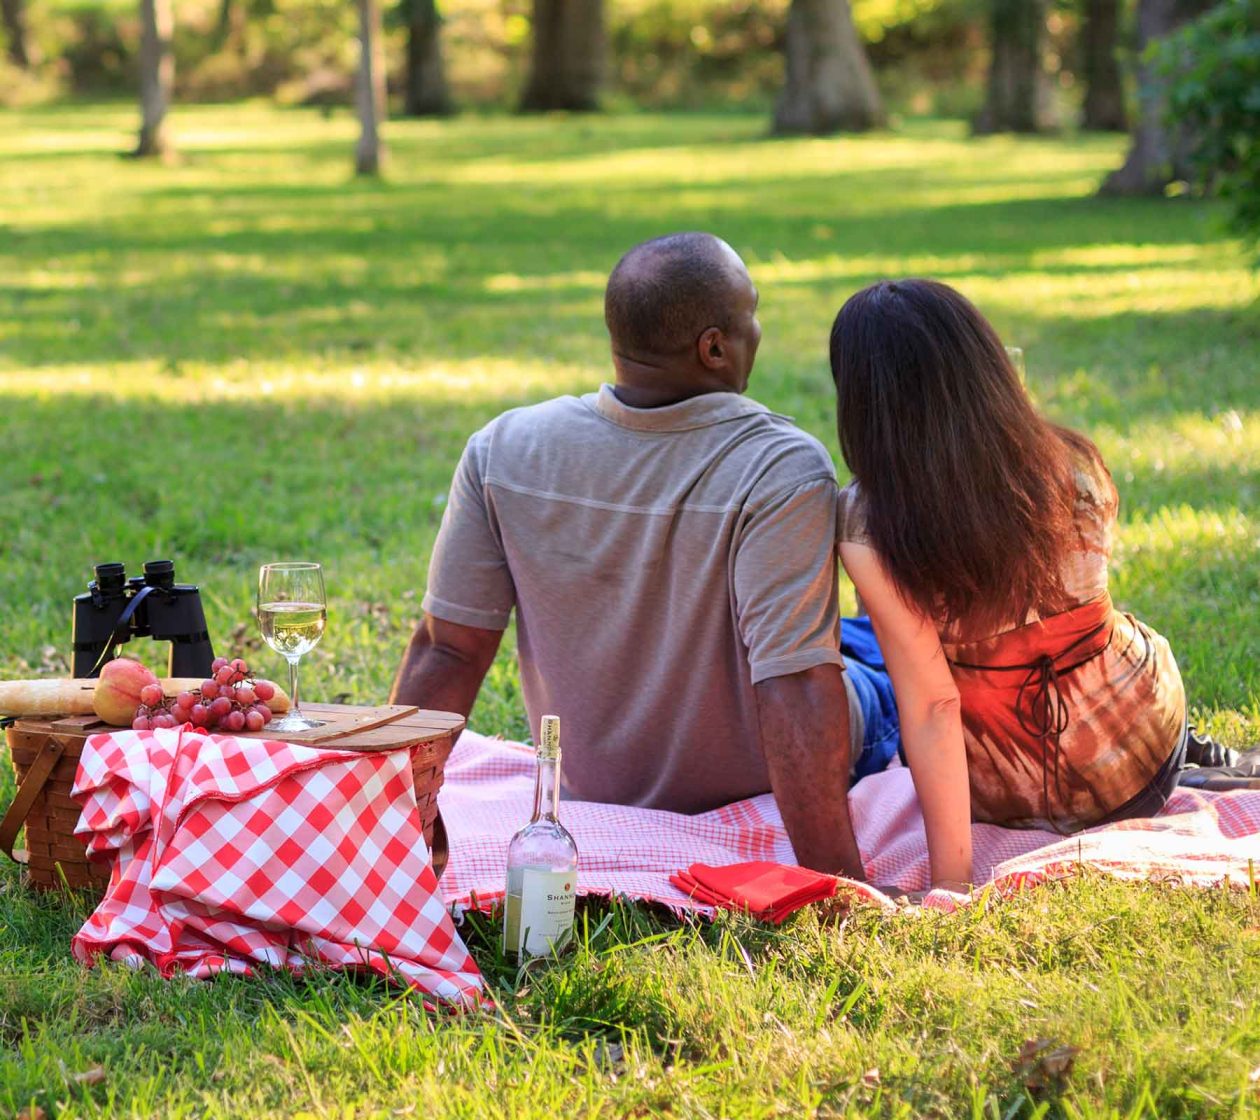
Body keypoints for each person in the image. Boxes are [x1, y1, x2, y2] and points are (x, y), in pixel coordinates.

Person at [392, 232, 898, 878]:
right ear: (714, 347)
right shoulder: (777, 466)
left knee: (855, 637)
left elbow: (447, 650)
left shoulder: (505, 450)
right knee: (897, 658)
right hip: (754, 773)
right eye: (753, 315)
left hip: (595, 785)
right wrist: (837, 884)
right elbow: (796, 681)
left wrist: (383, 825)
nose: (759, 331)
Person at [828, 278, 1256, 893]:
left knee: (885, 671)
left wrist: (950, 884)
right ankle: (1190, 754)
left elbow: (933, 705)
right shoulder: (1070, 462)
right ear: (990, 370)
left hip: (1006, 795)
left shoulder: (868, 524)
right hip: (1141, 754)